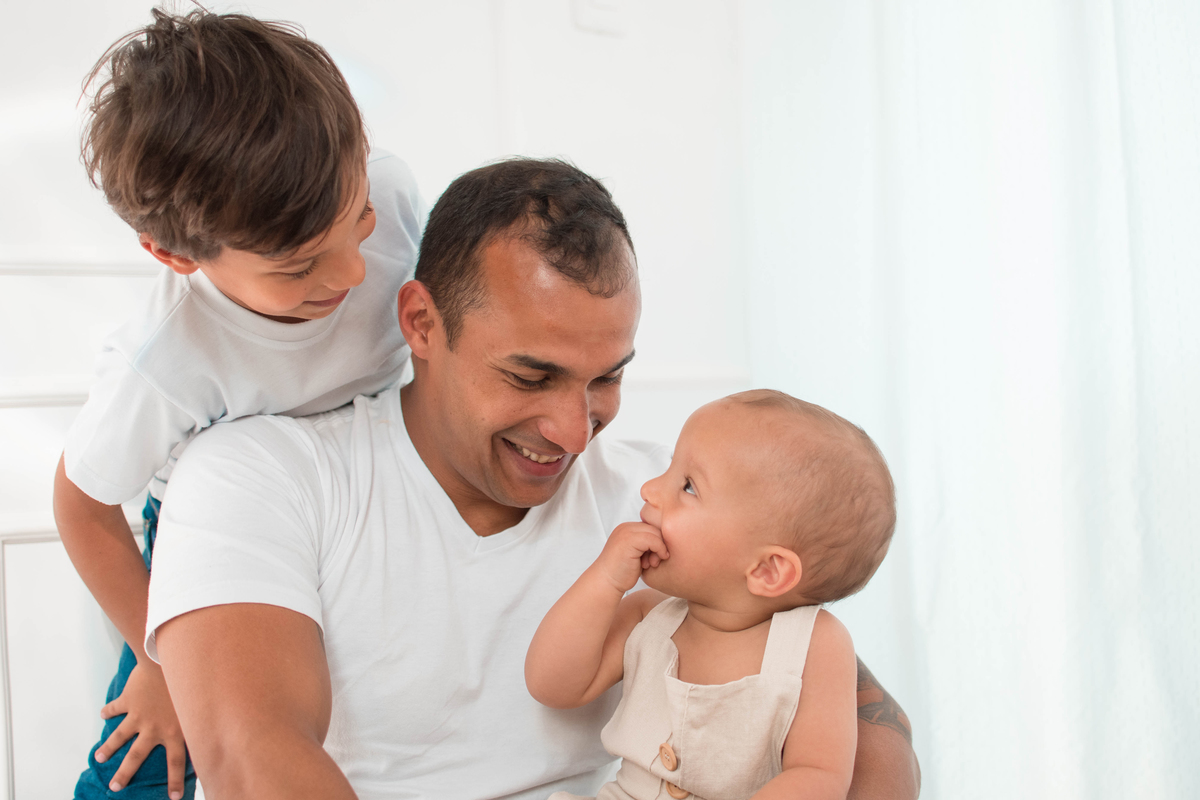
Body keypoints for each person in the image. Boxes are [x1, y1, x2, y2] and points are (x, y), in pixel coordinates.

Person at [145, 158, 920, 799]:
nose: (575, 432)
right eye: (530, 376)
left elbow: (866, 733)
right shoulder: (258, 477)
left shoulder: (674, 507)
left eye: (606, 377)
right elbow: (254, 757)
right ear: (422, 324)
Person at [53, 10, 425, 800]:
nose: (353, 273)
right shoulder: (165, 360)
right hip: (212, 521)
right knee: (151, 754)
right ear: (175, 255)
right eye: (299, 268)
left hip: (359, 483)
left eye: (358, 221)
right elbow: (81, 505)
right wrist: (157, 658)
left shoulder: (388, 188)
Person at [526, 390, 896, 800]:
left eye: (688, 487)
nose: (649, 489)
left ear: (767, 570)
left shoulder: (815, 644)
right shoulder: (646, 615)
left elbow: (818, 776)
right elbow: (553, 686)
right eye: (669, 469)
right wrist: (605, 579)